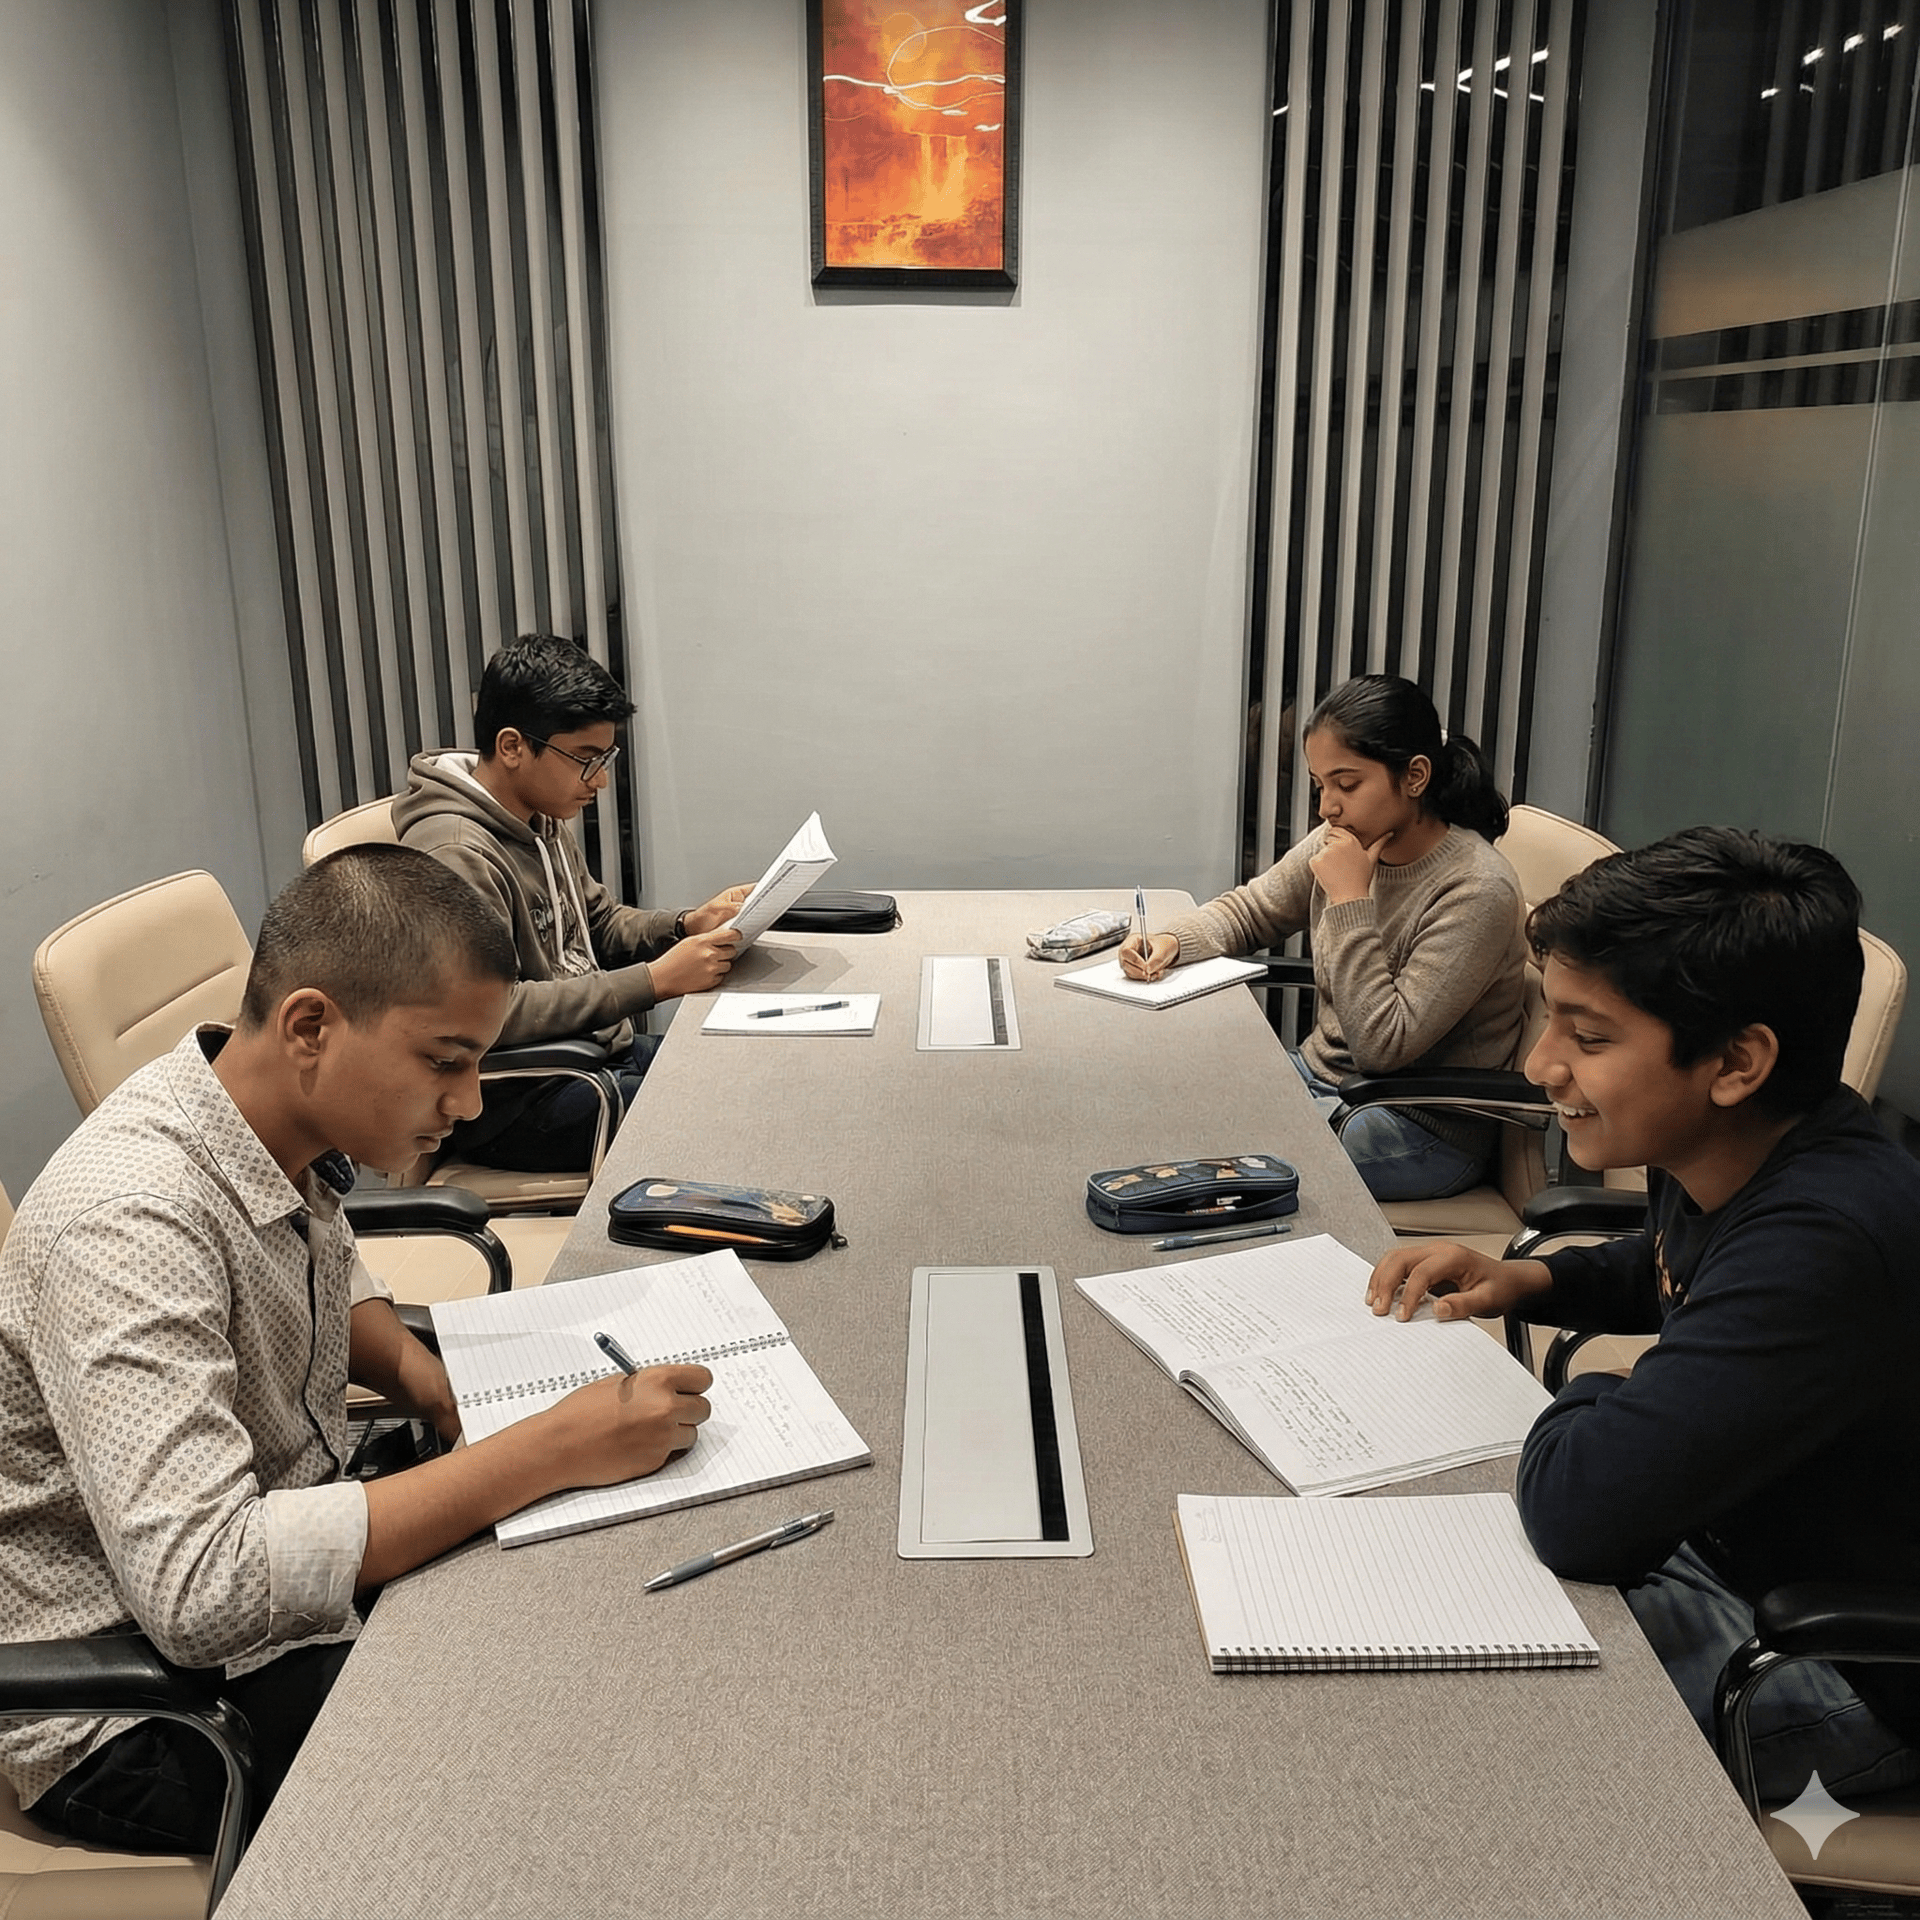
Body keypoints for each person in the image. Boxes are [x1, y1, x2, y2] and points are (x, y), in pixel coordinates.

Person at [0, 846, 714, 1851]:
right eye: (445, 1061)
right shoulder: (127, 1224)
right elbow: (202, 1590)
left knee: (580, 1600)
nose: (469, 1103)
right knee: (555, 1743)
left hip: (272, 1578)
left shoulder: (258, 1117)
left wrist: (428, 1382)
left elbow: (327, 1269)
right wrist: (544, 1450)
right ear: (309, 1026)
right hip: (147, 1714)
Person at [1365, 827, 1920, 1804]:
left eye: (1588, 1038)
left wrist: (1603, 1391)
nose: (1542, 1066)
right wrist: (1534, 1283)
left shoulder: (1822, 1242)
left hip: (1843, 1675)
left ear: (1736, 1062)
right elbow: (1677, 1265)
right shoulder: (1728, 1150)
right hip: (1729, 1544)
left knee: (1457, 1721)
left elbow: (1582, 1513)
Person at [1122, 674, 1526, 1201]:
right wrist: (1173, 940)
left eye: (1347, 785)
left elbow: (1384, 1046)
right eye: (1320, 785)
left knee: (1215, 1164)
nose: (1327, 807)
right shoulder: (1343, 841)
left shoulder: (1477, 889)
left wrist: (1350, 899)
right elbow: (1253, 910)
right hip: (1324, 1083)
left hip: (1418, 1127)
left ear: (1415, 776)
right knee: (1175, 1107)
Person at [395, 633, 751, 1172]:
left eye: (605, 758)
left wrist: (684, 925)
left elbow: (597, 923)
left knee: (738, 1068)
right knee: (721, 1112)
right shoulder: (456, 852)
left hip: (589, 1057)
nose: (601, 779)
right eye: (585, 758)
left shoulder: (539, 815)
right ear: (512, 747)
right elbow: (488, 1010)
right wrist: (655, 982)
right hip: (514, 1098)